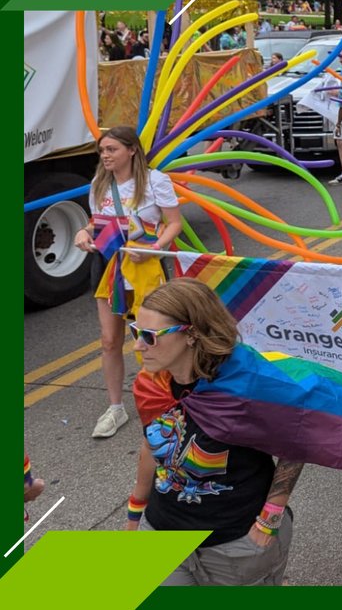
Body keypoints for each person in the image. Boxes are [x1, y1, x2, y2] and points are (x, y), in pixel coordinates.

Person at [125, 279, 302, 585]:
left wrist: (269, 518)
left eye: (150, 337)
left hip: (234, 544)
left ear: (191, 334)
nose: (138, 346)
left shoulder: (249, 384)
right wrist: (135, 513)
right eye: (135, 332)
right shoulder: (151, 385)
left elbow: (297, 441)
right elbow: (150, 444)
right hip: (160, 530)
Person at [73, 126, 182, 438]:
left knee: (152, 338)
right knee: (109, 340)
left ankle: (165, 401)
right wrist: (84, 231)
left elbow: (173, 223)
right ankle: (116, 408)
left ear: (132, 150)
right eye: (102, 151)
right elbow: (97, 223)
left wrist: (154, 249)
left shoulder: (156, 181)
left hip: (145, 267)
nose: (105, 156)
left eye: (112, 150)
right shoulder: (99, 183)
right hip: (108, 266)